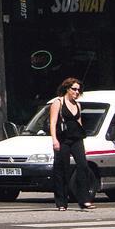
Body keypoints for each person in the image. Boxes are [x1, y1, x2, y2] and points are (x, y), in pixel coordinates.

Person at [48, 78, 93, 210]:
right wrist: (54, 139)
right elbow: (53, 122)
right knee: (62, 169)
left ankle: (84, 199)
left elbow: (79, 122)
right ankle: (61, 202)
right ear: (67, 89)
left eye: (78, 90)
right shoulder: (58, 102)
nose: (77, 92)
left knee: (83, 166)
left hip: (77, 139)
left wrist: (83, 136)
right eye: (74, 89)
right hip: (63, 139)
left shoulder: (78, 105)